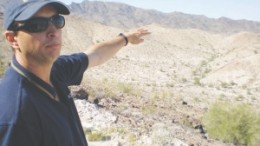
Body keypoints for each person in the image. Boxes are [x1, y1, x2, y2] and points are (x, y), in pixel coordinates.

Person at [0, 0, 151, 145]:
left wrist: (125, 38)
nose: (53, 31)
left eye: (57, 21)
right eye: (37, 25)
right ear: (12, 38)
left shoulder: (56, 70)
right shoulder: (15, 115)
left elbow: (95, 55)